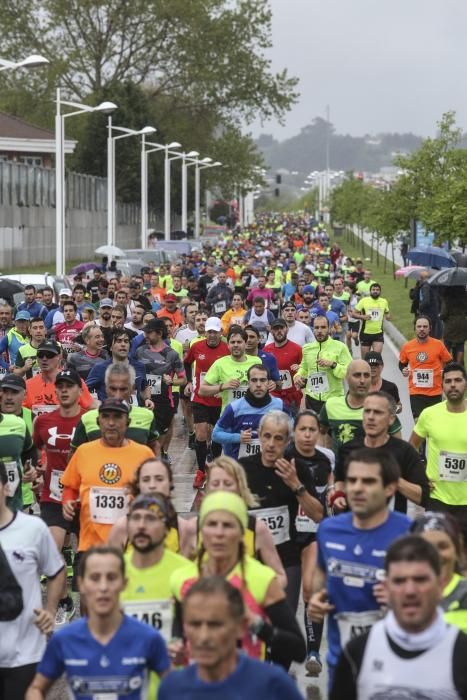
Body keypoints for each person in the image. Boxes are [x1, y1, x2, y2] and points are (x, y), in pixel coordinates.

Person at [309, 447, 411, 688]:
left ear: (389, 488)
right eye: (352, 480)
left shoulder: (408, 533)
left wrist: (399, 600)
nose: (357, 488)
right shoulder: (328, 530)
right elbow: (321, 574)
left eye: (368, 481)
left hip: (392, 667)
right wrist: (315, 600)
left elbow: (431, 600)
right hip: (341, 664)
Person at [170, 491, 306, 667]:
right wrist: (176, 649)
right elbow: (177, 637)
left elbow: (298, 650)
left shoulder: (261, 578)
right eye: (211, 524)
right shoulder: (182, 578)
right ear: (201, 530)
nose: (219, 533)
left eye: (228, 525)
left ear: (242, 532)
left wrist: (256, 624)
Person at [330, 536, 467, 700]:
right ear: (386, 588)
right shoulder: (358, 651)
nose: (410, 591)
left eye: (420, 579)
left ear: (440, 586)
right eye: (399, 581)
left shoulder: (462, 652)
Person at [26, 546, 170, 700]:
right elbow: (36, 689)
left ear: (125, 583)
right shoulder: (63, 639)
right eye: (95, 578)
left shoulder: (148, 637)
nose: (103, 587)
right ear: (81, 584)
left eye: (112, 577)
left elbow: (178, 688)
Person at [159, 577, 305, 700]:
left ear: (240, 627)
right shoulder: (172, 687)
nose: (204, 636)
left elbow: (298, 650)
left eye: (215, 625)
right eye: (195, 624)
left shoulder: (273, 684)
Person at [239, 410, 324, 615]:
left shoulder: (296, 468)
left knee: (284, 625)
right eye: (266, 436)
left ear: (287, 442)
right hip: (250, 560)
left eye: (278, 438)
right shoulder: (243, 468)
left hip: (286, 560)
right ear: (259, 435)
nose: (270, 444)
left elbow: (319, 515)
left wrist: (296, 485)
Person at [61, 399, 154, 571]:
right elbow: (70, 486)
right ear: (98, 422)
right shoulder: (84, 452)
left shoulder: (144, 454)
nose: (111, 423)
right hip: (90, 544)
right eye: (105, 417)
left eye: (117, 417)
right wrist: (67, 501)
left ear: (128, 422)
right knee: (90, 597)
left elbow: (156, 496)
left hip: (131, 547)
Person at [0, 462, 65, 699]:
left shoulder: (32, 529)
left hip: (25, 654)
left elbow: (57, 571)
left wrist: (50, 609)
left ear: (7, 488)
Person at [121, 494, 190, 697]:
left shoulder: (186, 572)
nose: (141, 526)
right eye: (135, 518)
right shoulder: (112, 570)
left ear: (166, 527)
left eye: (150, 519)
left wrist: (184, 644)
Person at [181, 456, 287, 585]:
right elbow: (179, 572)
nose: (221, 488)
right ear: (207, 487)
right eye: (215, 483)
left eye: (228, 483)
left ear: (239, 486)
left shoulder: (256, 528)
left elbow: (280, 576)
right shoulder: (193, 528)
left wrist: (256, 593)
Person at [33, 369, 85, 625]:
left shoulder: (90, 420)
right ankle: (64, 600)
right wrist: (37, 468)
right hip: (53, 495)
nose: (64, 390)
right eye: (60, 386)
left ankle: (91, 608)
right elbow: (34, 449)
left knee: (88, 556)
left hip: (84, 497)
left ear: (79, 390)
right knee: (51, 552)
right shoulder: (43, 421)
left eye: (69, 386)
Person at [285, 410, 334, 676]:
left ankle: (313, 650)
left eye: (312, 430)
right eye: (302, 429)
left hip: (314, 532)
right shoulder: (284, 457)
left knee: (311, 591)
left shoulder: (327, 459)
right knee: (287, 598)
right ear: (294, 432)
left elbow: (331, 492)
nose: (306, 435)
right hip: (286, 535)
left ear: (318, 433)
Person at [334, 391, 429, 514]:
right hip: (354, 526)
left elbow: (423, 497)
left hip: (391, 529)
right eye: (367, 411)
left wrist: (394, 478)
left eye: (378, 412)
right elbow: (340, 480)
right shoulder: (348, 449)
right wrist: (339, 495)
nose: (371, 417)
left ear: (391, 419)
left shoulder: (405, 452)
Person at [410, 362, 467, 549]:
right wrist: (419, 476)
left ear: (465, 384)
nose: (453, 385)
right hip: (437, 498)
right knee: (437, 554)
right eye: (448, 381)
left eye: (458, 380)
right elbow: (411, 448)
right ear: (442, 385)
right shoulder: (430, 414)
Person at [108, 457, 190, 553]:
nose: (152, 485)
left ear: (170, 483)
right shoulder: (122, 527)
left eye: (159, 479)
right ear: (138, 484)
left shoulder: (183, 528)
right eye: (146, 480)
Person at [184, 316, 229, 489]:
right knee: (201, 434)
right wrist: (189, 381)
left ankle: (215, 465)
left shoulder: (227, 349)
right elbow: (187, 363)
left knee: (216, 435)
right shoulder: (196, 347)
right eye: (209, 332)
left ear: (220, 333)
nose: (211, 335)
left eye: (215, 332)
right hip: (200, 397)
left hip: (219, 398)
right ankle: (201, 470)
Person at [73, 363, 158, 451]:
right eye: (113, 389)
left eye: (123, 389)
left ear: (132, 389)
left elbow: (154, 448)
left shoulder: (147, 416)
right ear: (106, 388)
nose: (117, 395)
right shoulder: (87, 419)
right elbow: (75, 453)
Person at [134, 318, 186, 461]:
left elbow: (183, 379)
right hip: (143, 398)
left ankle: (158, 456)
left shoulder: (172, 354)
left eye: (149, 332)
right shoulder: (140, 351)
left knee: (161, 432)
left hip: (163, 399)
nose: (146, 336)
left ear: (159, 333)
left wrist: (172, 381)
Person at [212, 364, 283, 460]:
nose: (258, 384)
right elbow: (215, 435)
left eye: (262, 380)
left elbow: (292, 434)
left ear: (268, 382)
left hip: (270, 466)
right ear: (248, 383)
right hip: (241, 468)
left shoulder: (279, 405)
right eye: (254, 380)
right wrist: (238, 437)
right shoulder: (234, 408)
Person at [411, 512, 467, 633]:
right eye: (425, 547)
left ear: (457, 551)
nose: (434, 554)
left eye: (443, 546)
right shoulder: (400, 594)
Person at [294, 315, 352, 413]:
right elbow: (304, 368)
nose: (319, 331)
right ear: (313, 329)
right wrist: (298, 375)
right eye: (316, 327)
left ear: (329, 329)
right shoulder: (307, 348)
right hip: (312, 398)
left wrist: (333, 365)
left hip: (333, 399)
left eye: (323, 327)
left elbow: (349, 372)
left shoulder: (340, 347)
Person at [23, 340, 94, 420]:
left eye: (50, 355)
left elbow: (90, 408)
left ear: (59, 356)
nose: (44, 358)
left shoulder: (74, 381)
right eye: (41, 355)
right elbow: (21, 413)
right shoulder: (27, 385)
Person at [400, 315, 452, 420]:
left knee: (433, 426)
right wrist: (403, 370)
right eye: (419, 326)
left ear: (430, 328)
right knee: (419, 424)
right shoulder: (407, 346)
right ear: (415, 328)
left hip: (435, 392)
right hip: (416, 392)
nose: (422, 329)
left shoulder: (438, 345)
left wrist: (445, 373)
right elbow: (402, 363)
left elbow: (449, 362)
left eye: (425, 326)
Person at [200, 326, 260, 413]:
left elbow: (264, 385)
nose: (236, 345)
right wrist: (222, 387)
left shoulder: (256, 361)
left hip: (251, 414)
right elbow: (202, 391)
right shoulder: (220, 364)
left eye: (239, 342)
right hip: (230, 417)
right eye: (232, 342)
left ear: (245, 343)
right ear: (228, 345)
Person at [264, 317, 303, 415]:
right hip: (273, 396)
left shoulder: (297, 349)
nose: (279, 331)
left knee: (292, 426)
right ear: (271, 331)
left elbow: (306, 369)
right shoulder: (266, 350)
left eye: (281, 328)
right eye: (276, 329)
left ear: (287, 329)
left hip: (292, 398)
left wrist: (300, 368)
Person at [352, 282, 390, 357]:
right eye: (373, 289)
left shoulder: (384, 301)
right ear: (370, 291)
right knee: (365, 360)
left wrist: (387, 316)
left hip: (378, 334)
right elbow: (353, 314)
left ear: (380, 291)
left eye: (377, 290)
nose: (375, 291)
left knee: (376, 358)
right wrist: (363, 317)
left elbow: (387, 312)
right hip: (365, 333)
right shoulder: (364, 301)